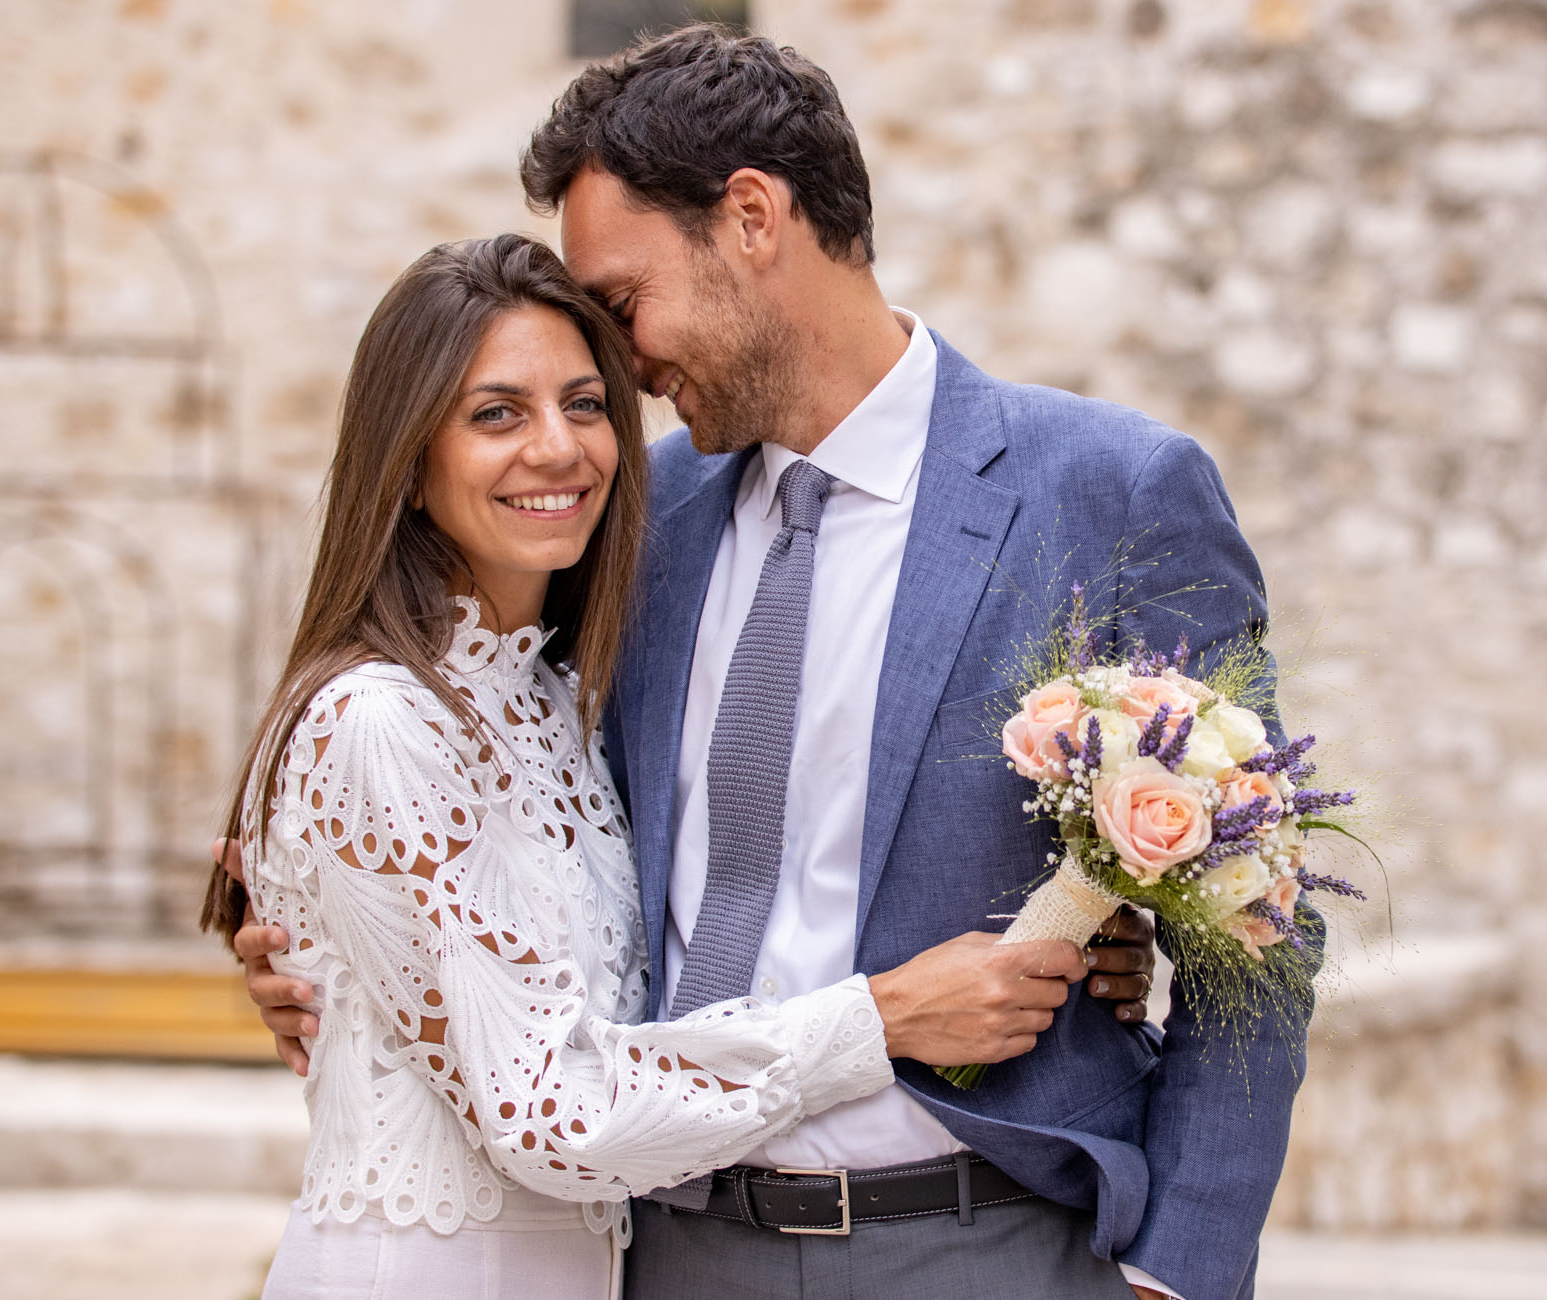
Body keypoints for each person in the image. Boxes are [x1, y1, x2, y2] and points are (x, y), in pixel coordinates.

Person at [239, 23, 1308, 1300]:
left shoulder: (1110, 492)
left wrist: (1179, 1269)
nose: (618, 369)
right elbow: (433, 728)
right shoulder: (635, 516)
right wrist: (311, 938)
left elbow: (1262, 919)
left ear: (751, 217)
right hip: (665, 1248)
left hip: (990, 1243)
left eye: (623, 303)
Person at [201, 233, 1095, 1300]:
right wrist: (883, 1016)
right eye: (497, 413)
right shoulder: (376, 720)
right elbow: (548, 1106)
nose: (558, 448)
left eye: (586, 404)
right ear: (407, 460)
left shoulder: (555, 695)